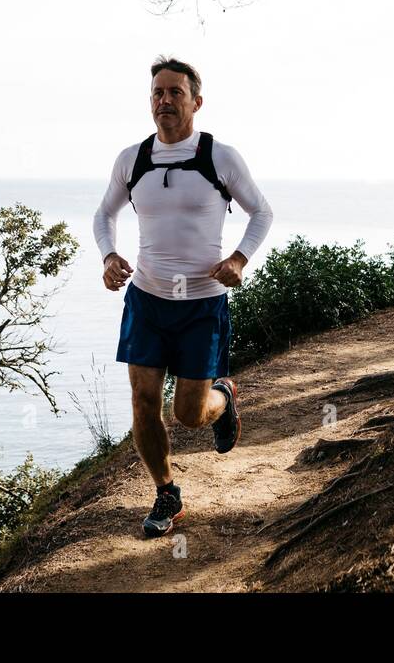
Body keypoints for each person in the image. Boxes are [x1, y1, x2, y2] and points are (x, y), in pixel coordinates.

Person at [92, 55, 274, 537]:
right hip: (147, 299)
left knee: (189, 414)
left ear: (197, 101)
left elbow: (262, 212)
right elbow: (103, 215)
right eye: (157, 92)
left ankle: (223, 398)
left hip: (201, 304)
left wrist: (238, 259)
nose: (164, 100)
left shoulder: (221, 157)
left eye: (175, 92)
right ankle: (166, 492)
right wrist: (109, 256)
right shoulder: (132, 159)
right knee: (142, 398)